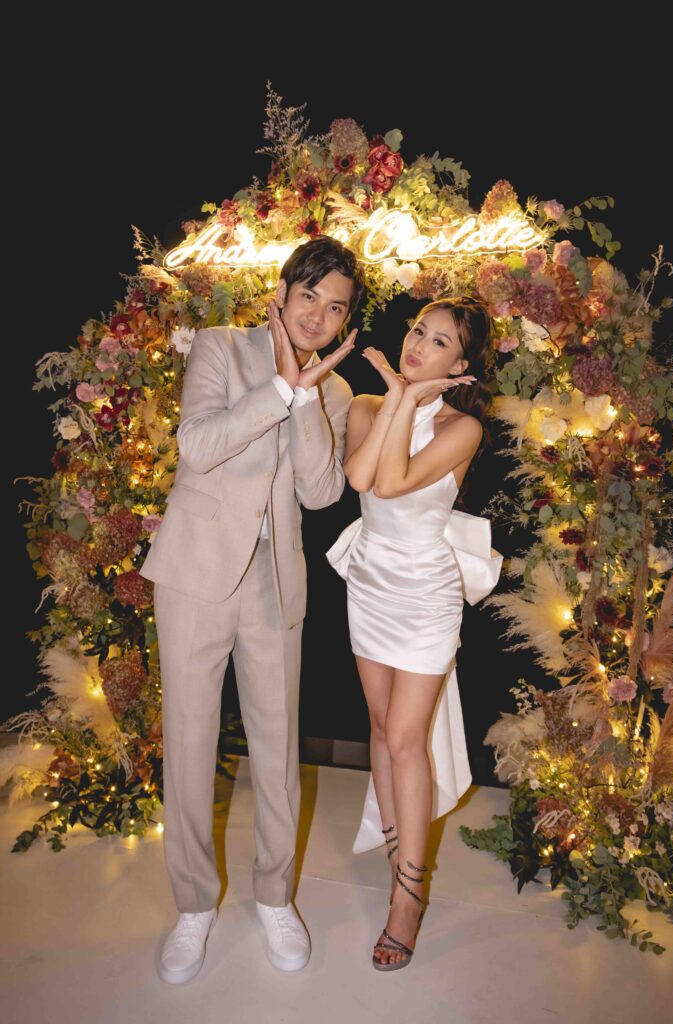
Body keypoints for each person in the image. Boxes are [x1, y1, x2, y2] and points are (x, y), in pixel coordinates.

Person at [139, 235, 365, 982]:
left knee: (276, 749)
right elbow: (197, 446)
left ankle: (275, 897)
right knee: (192, 743)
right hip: (196, 574)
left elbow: (322, 491)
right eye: (309, 298)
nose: (318, 317)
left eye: (335, 309)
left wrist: (307, 397)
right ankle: (193, 906)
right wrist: (277, 389)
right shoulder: (219, 346)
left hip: (275, 582)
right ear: (282, 291)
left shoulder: (332, 387)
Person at [326, 297, 502, 970]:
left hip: (424, 591)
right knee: (379, 728)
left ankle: (408, 897)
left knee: (404, 741)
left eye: (438, 343)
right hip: (369, 579)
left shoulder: (464, 429)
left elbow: (394, 481)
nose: (418, 346)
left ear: (459, 365)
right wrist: (397, 398)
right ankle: (400, 848)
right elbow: (358, 477)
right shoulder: (368, 407)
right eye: (416, 333)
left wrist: (410, 399)